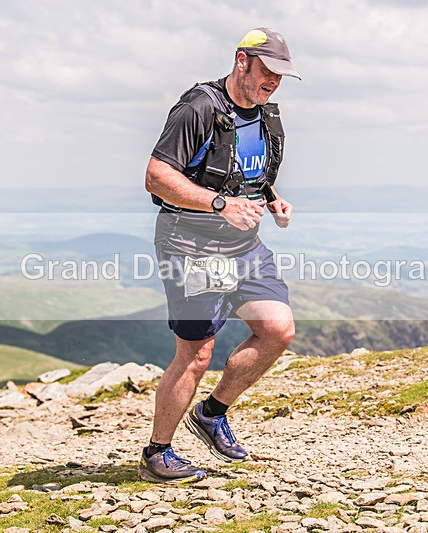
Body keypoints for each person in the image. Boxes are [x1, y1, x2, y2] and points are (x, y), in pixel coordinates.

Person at [139, 27, 300, 483]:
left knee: (278, 329)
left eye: (281, 75)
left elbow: (248, 174)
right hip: (192, 245)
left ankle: (211, 413)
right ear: (242, 61)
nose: (273, 81)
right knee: (196, 353)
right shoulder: (199, 107)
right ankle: (157, 453)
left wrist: (273, 200)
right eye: (267, 70)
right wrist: (219, 205)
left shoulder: (266, 116)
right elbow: (156, 177)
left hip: (243, 247)